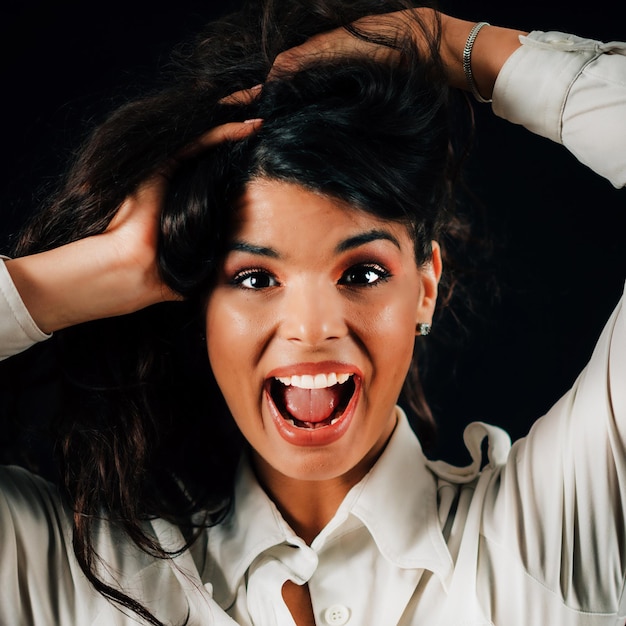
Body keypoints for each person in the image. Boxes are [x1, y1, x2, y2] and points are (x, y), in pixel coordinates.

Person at [0, 0, 625, 625]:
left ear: (426, 287)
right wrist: (99, 271)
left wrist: (456, 45)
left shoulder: (550, 540)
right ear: (198, 304)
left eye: (362, 273)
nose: (313, 327)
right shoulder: (70, 574)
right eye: (253, 277)